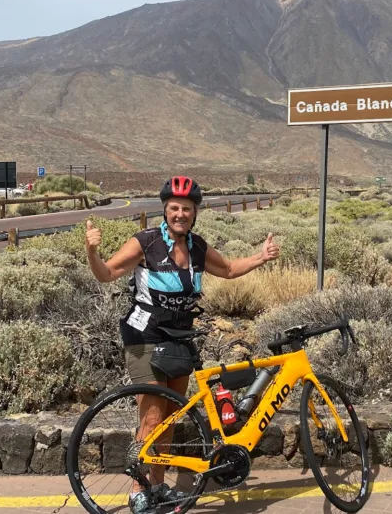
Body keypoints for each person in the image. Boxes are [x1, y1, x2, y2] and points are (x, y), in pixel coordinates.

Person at [84, 175, 280, 514]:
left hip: (180, 340)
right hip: (143, 337)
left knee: (171, 417)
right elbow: (106, 274)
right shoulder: (145, 243)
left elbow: (230, 269)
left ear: (195, 212)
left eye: (186, 208)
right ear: (165, 210)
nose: (180, 214)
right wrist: (92, 251)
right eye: (174, 208)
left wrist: (260, 257)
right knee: (153, 415)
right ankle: (138, 491)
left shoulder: (198, 247)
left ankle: (158, 487)